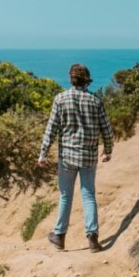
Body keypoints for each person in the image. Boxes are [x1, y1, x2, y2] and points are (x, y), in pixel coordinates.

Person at [38, 63, 113, 253]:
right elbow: (107, 129)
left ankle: (59, 236)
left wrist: (43, 153)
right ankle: (93, 238)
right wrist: (108, 150)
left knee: (65, 196)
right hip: (88, 156)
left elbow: (51, 129)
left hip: (67, 157)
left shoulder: (60, 99)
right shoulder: (95, 101)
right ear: (86, 81)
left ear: (71, 79)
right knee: (88, 196)